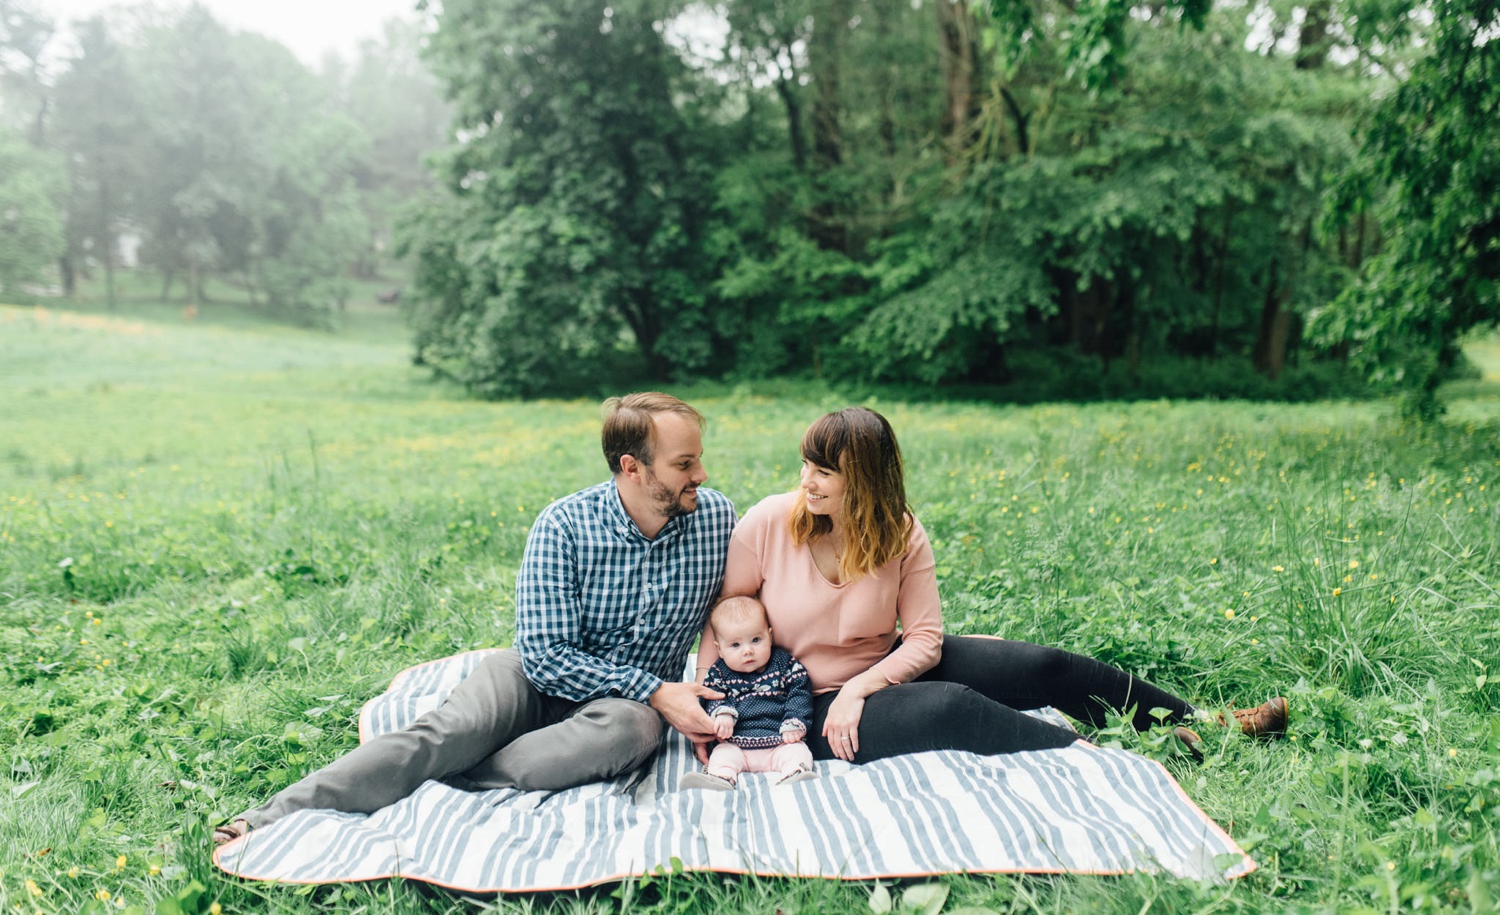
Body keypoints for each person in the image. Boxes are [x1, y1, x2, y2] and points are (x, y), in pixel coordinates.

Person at [213, 392, 737, 844]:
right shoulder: (564, 524)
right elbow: (545, 657)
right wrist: (652, 687)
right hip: (535, 680)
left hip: (619, 709)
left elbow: (740, 608)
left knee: (632, 730)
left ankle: (448, 777)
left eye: (698, 460)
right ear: (632, 467)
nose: (701, 475)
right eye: (684, 463)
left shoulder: (716, 519)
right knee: (449, 731)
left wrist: (663, 694)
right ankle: (266, 820)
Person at [698, 406, 1287, 767]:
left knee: (1044, 665)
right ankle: (1103, 760)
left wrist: (863, 686)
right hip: (799, 703)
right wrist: (709, 705)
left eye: (823, 471)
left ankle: (1210, 721)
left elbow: (925, 639)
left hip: (879, 670)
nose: (806, 481)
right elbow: (725, 618)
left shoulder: (900, 531)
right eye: (805, 465)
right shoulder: (770, 522)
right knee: (953, 707)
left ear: (866, 480)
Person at [679, 595, 816, 791]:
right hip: (737, 744)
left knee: (798, 752)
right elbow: (710, 697)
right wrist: (722, 713)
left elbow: (800, 692)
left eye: (756, 640)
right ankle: (720, 779)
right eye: (735, 645)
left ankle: (795, 774)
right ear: (719, 649)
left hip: (781, 740)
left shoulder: (784, 664)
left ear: (769, 636)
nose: (747, 651)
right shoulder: (719, 673)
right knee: (722, 755)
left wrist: (795, 721)